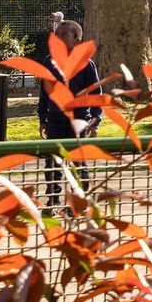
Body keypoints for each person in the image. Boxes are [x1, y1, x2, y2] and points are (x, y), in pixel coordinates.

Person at [36, 18, 102, 207]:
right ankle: (53, 200)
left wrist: (95, 121)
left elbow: (96, 93)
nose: (59, 38)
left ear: (77, 41)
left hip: (79, 120)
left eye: (64, 35)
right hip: (55, 120)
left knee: (78, 163)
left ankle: (79, 202)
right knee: (53, 162)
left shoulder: (86, 64)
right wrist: (43, 118)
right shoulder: (49, 62)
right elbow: (44, 93)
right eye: (57, 35)